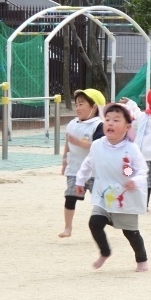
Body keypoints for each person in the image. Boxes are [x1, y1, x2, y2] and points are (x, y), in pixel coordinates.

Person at [76, 103, 149, 272]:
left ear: (127, 127)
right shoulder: (97, 145)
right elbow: (88, 164)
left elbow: (141, 170)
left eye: (116, 120)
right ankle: (105, 251)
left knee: (130, 232)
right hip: (104, 194)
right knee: (94, 223)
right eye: (107, 119)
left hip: (126, 195)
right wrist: (80, 181)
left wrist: (133, 179)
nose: (110, 123)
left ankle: (142, 260)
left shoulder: (131, 149)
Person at [59, 88, 105, 238]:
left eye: (81, 104)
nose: (77, 108)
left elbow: (99, 146)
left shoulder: (98, 125)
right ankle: (68, 227)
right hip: (75, 169)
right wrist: (64, 160)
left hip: (95, 172)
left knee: (100, 201)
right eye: (76, 104)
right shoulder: (72, 123)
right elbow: (68, 142)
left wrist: (79, 143)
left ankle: (102, 224)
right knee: (70, 197)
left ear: (94, 107)